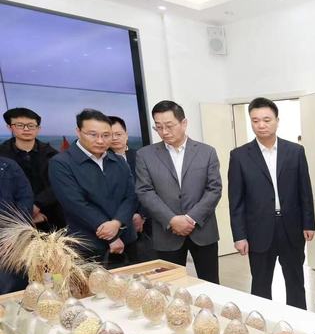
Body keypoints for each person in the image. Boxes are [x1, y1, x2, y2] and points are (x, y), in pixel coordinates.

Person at [229, 97, 315, 309]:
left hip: (291, 228)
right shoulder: (239, 156)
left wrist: (309, 223)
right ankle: (261, 323)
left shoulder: (295, 151)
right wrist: (239, 236)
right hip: (258, 230)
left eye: (266, 120)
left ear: (277, 120)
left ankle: (298, 322)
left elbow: (305, 190)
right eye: (255, 120)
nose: (261, 125)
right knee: (260, 285)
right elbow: (236, 201)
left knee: (296, 282)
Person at [135, 101, 222, 283]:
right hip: (167, 233)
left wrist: (191, 218)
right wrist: (172, 220)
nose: (164, 132)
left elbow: (214, 189)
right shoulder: (145, 155)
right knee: (170, 285)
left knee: (211, 283)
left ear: (184, 123)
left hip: (203, 231)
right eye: (159, 127)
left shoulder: (206, 152)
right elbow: (145, 191)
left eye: (169, 126)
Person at [49, 109, 137, 266]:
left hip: (126, 240)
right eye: (93, 135)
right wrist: (111, 236)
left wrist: (117, 223)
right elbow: (75, 204)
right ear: (78, 132)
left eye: (106, 135)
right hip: (88, 244)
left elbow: (131, 196)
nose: (100, 141)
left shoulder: (118, 161)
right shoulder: (61, 163)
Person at [0, 107, 64, 229]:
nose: (26, 129)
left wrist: (37, 205)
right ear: (10, 127)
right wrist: (26, 211)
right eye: (20, 125)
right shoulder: (2, 155)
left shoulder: (52, 154)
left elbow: (60, 183)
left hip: (51, 216)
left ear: (38, 128)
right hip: (11, 219)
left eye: (31, 125)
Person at [109, 115, 154, 262]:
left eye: (118, 134)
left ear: (126, 134)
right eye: (110, 135)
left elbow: (152, 187)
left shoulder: (142, 156)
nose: (114, 138)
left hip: (147, 222)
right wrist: (127, 216)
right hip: (118, 223)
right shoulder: (103, 160)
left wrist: (141, 214)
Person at [0, 157, 34, 293]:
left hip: (9, 239)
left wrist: (14, 235)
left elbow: (25, 199)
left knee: (11, 288)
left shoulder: (9, 166)